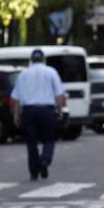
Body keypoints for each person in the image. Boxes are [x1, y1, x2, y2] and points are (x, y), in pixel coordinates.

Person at [11, 48, 66, 181]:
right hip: (47, 110)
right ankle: (44, 161)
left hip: (29, 111)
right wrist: (60, 110)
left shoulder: (24, 74)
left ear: (31, 60)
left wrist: (16, 116)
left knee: (31, 143)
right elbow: (59, 94)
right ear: (43, 59)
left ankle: (34, 172)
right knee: (49, 139)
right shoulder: (51, 72)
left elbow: (16, 98)